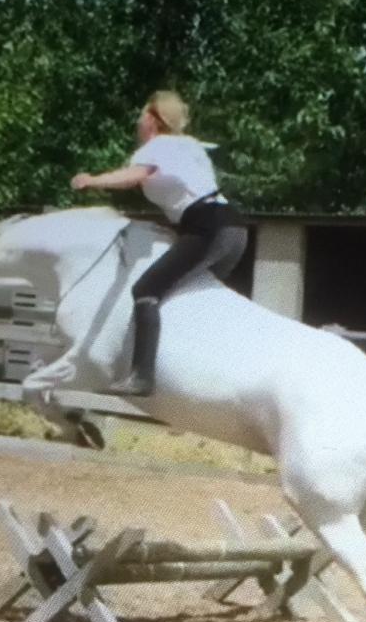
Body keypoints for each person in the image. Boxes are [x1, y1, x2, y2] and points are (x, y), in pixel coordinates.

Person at [70, 91, 247, 396]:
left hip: (207, 226)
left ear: (153, 120)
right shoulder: (188, 144)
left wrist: (92, 180)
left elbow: (134, 176)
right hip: (234, 227)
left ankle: (142, 376)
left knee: (146, 290)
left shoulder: (157, 147)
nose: (138, 123)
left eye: (142, 116)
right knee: (193, 299)